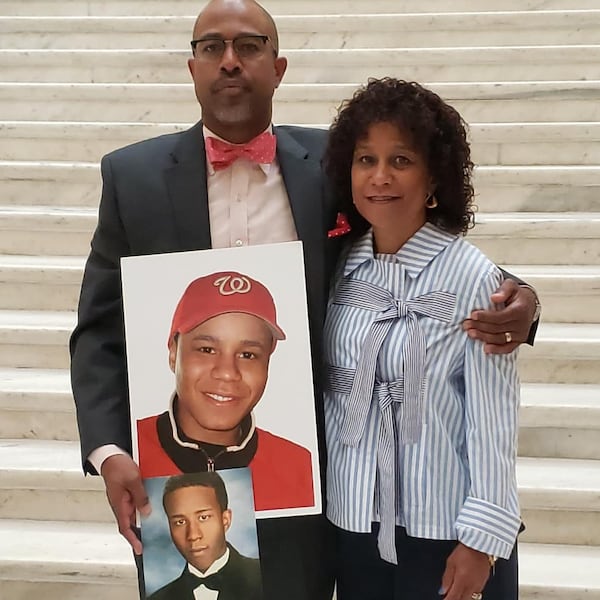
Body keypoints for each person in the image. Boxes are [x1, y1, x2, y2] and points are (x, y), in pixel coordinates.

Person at [69, 1, 539, 599]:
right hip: (177, 479)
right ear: (192, 68)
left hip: (315, 479)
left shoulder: (334, 165)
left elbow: (414, 243)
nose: (230, 62)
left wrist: (519, 297)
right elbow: (99, 331)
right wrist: (109, 451)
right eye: (212, 47)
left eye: (250, 46)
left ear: (279, 66)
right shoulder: (131, 177)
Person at [323, 77, 522, 600]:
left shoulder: (474, 278)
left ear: (434, 176)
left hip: (446, 530)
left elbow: (493, 420)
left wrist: (483, 538)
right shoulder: (340, 269)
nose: (380, 177)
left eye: (401, 161)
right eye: (366, 159)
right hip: (353, 520)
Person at [136, 270, 315, 512]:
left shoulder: (300, 466)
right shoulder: (130, 451)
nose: (228, 372)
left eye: (248, 355)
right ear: (173, 353)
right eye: (207, 349)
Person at [148, 471, 262, 600]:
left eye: (203, 517)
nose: (193, 535)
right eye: (180, 522)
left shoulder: (265, 576)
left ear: (225, 520)